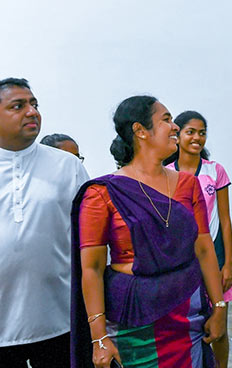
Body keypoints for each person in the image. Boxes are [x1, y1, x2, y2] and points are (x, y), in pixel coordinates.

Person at [70, 95, 226, 368]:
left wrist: (219, 307)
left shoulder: (188, 184)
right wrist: (99, 338)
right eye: (166, 120)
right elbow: (92, 269)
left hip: (188, 314)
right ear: (140, 131)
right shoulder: (102, 193)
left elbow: (203, 248)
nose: (175, 127)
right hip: (134, 320)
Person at [0, 78, 89, 367]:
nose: (32, 112)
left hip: (59, 320)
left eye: (34, 104)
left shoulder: (67, 166)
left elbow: (91, 239)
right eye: (18, 106)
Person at [165, 110, 232, 368]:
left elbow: (226, 220)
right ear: (178, 134)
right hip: (182, 261)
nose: (197, 138)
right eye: (191, 132)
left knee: (219, 328)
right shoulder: (164, 173)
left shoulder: (214, 171)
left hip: (214, 257)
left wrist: (228, 263)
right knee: (187, 326)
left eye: (202, 133)